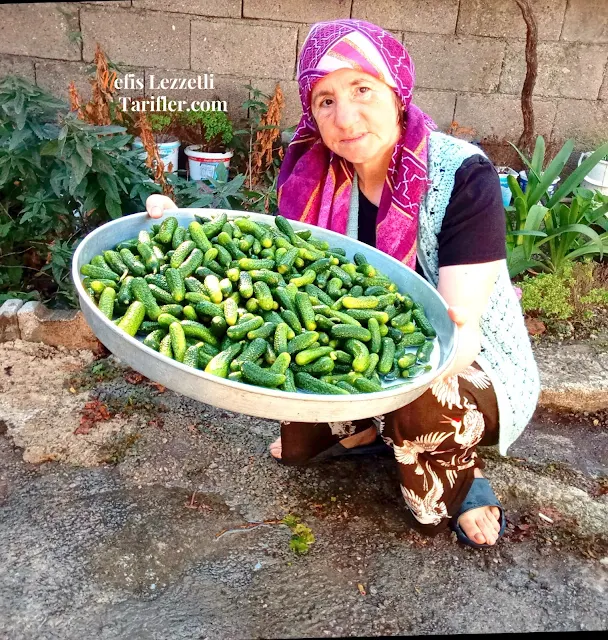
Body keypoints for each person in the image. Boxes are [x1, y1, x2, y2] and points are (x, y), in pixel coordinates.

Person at [145, 19, 540, 548]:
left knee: (420, 390)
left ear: (396, 91)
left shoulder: (464, 175)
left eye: (362, 90)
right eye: (325, 99)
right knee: (289, 334)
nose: (345, 118)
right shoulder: (318, 171)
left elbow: (456, 327)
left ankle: (458, 477)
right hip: (358, 330)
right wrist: (179, 228)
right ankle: (365, 428)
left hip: (470, 354)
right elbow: (276, 258)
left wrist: (405, 376)